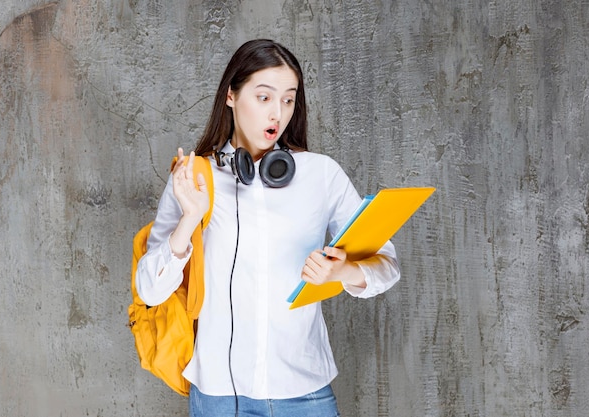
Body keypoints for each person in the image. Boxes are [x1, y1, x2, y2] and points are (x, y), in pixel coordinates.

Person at [135, 39, 400, 417]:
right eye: (263, 97)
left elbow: (387, 264)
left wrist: (343, 271)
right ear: (231, 95)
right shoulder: (195, 178)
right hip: (219, 397)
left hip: (304, 393)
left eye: (288, 99)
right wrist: (190, 218)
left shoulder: (320, 174)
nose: (277, 113)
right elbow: (149, 289)